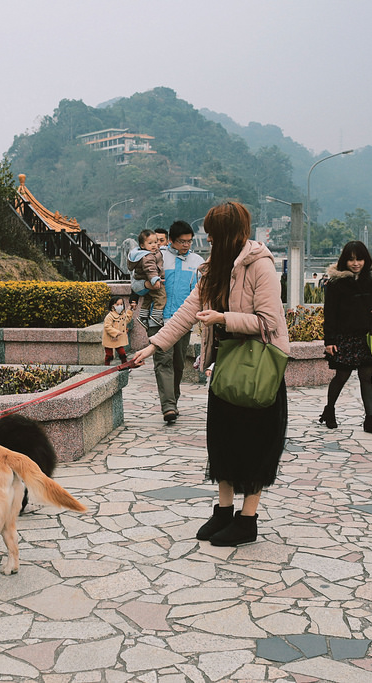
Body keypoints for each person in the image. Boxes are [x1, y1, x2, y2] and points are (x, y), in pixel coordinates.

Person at [132, 202, 289, 547]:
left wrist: (223, 319)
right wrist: (152, 346)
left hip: (256, 369)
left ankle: (247, 520)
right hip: (225, 368)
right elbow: (188, 312)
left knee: (254, 446)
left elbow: (270, 322)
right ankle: (223, 511)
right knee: (222, 443)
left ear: (232, 233)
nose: (210, 243)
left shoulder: (260, 266)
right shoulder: (212, 269)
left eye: (215, 236)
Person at [320, 240, 372, 436]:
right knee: (342, 376)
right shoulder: (335, 283)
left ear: (366, 260)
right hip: (344, 337)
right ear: (344, 261)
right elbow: (330, 313)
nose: (356, 263)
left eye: (359, 259)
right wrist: (330, 341)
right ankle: (329, 410)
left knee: (366, 378)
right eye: (351, 260)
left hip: (367, 337)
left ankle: (370, 421)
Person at [150, 220, 206, 423]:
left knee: (178, 364)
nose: (186, 245)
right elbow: (139, 282)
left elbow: (201, 292)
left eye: (189, 241)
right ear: (171, 241)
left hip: (183, 321)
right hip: (159, 319)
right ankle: (168, 406)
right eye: (182, 241)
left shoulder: (197, 261)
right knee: (163, 361)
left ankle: (173, 399)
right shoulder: (159, 258)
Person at [127, 229, 166, 327]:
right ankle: (157, 316)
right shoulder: (148, 256)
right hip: (151, 280)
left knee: (148, 299)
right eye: (150, 243)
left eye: (155, 242)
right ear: (142, 245)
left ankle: (143, 317)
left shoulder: (145, 254)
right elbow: (151, 269)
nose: (154, 245)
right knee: (161, 297)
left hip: (145, 281)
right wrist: (155, 280)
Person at [102, 297, 132, 365]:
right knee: (109, 355)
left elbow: (127, 319)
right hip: (109, 338)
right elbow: (107, 326)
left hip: (118, 339)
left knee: (122, 353)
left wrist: (130, 310)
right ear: (113, 306)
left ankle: (125, 366)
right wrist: (116, 332)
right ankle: (106, 367)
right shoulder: (109, 316)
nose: (120, 306)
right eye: (117, 305)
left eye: (121, 304)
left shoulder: (122, 315)